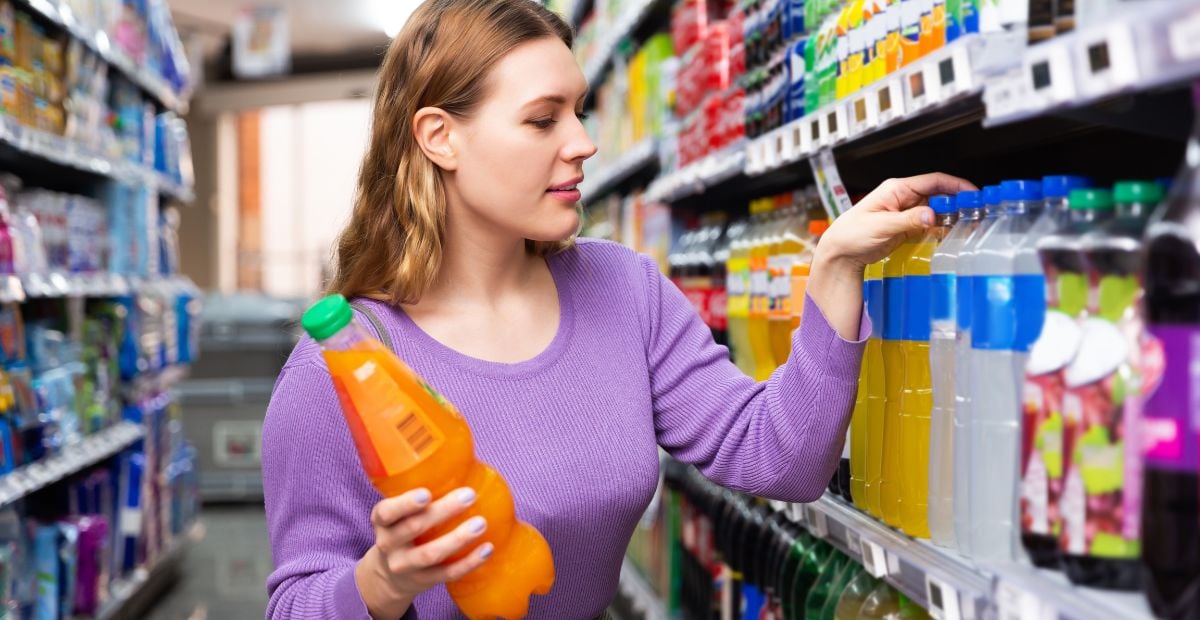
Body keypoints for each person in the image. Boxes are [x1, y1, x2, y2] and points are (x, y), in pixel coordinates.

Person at [261, 0, 975, 618]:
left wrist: (836, 268)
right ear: (439, 137)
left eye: (578, 111)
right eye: (542, 120)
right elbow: (295, 605)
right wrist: (381, 582)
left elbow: (781, 458)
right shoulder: (345, 367)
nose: (583, 143)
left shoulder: (621, 289)